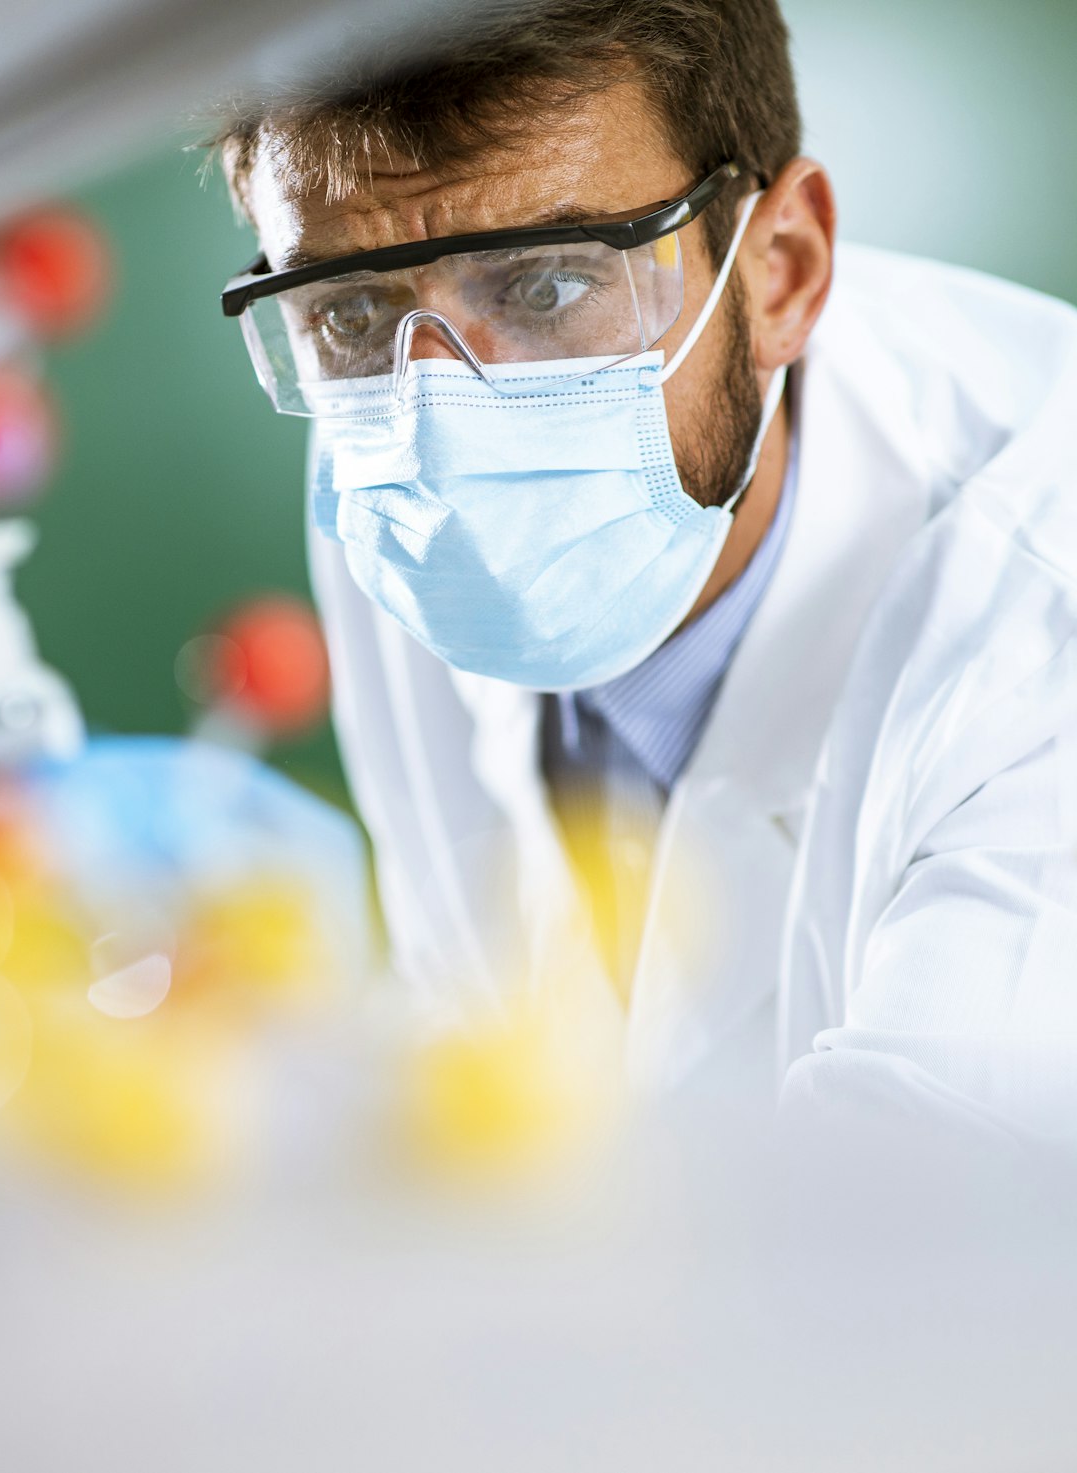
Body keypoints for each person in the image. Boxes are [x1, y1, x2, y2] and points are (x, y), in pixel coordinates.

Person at [211, 0, 1077, 1140]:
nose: (443, 416)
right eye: (355, 310)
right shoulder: (380, 452)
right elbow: (483, 1052)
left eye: (546, 287)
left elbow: (904, 1242)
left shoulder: (1039, 601)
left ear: (780, 272)